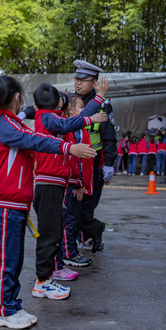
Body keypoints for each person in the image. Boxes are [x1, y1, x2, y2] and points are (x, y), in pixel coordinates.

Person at [0, 75, 96, 329]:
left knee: (13, 257)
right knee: (6, 258)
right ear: (16, 97)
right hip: (6, 201)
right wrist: (69, 149)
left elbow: (33, 134)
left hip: (16, 201)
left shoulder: (14, 122)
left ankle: (11, 305)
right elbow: (36, 140)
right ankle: (2, 309)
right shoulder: (6, 125)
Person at [31, 80, 108, 300]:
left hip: (56, 182)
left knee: (54, 231)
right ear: (57, 103)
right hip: (49, 183)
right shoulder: (48, 117)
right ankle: (43, 281)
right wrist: (97, 102)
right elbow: (68, 125)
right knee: (49, 234)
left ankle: (47, 278)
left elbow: (69, 123)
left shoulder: (47, 117)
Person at [73, 60, 117, 253]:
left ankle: (87, 236)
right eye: (76, 79)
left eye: (83, 80)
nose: (78, 83)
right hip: (74, 162)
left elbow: (109, 136)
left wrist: (109, 163)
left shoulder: (103, 105)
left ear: (94, 82)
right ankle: (81, 236)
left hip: (94, 162)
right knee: (73, 205)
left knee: (88, 205)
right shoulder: (70, 101)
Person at [61, 95, 92, 270]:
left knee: (74, 217)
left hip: (80, 182)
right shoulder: (70, 130)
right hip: (73, 182)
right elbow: (75, 160)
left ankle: (71, 250)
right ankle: (68, 253)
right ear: (71, 110)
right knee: (69, 219)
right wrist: (78, 183)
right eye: (81, 106)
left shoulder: (81, 130)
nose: (83, 109)